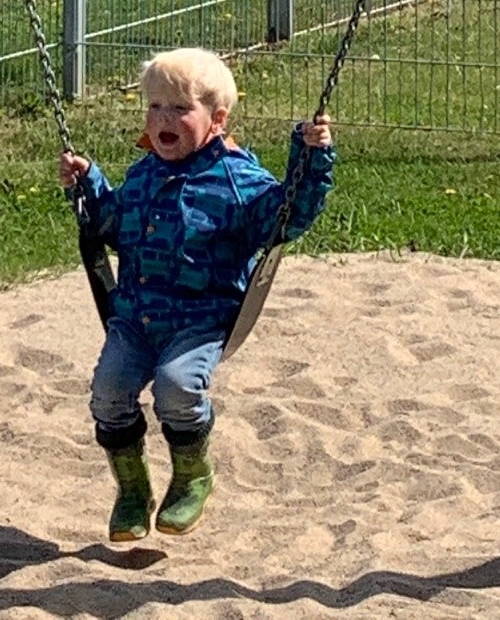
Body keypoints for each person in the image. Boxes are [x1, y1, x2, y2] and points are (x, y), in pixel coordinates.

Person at [59, 47, 333, 542]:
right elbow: (113, 225)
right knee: (109, 393)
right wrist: (88, 186)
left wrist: (310, 162)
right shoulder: (145, 173)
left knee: (176, 387)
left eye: (179, 109)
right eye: (155, 107)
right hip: (136, 317)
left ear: (217, 119)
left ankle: (191, 476)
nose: (163, 119)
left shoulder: (237, 180)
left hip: (199, 321)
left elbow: (285, 216)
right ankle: (133, 490)